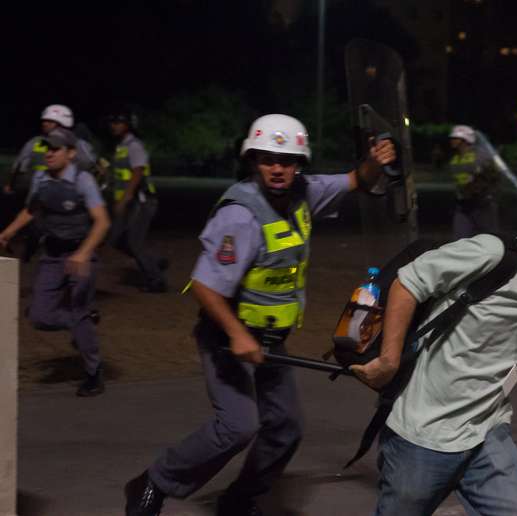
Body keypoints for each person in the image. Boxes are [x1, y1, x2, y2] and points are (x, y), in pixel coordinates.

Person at [123, 114, 396, 516]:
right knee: (238, 425)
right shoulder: (241, 215)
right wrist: (237, 335)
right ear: (253, 160)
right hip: (225, 337)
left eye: (286, 160)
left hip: (270, 341)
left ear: (299, 163)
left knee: (285, 428)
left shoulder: (305, 192)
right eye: (268, 159)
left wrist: (375, 160)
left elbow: (357, 179)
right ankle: (153, 482)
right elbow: (204, 285)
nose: (278, 168)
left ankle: (239, 500)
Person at [352, 204, 517, 516]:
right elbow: (408, 282)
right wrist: (389, 359)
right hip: (423, 436)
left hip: (487, 431)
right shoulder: (490, 255)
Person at [0, 128, 110, 396]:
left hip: (81, 255)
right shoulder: (41, 179)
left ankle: (93, 372)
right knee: (39, 316)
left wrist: (83, 253)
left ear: (70, 153)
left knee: (79, 311)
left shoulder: (83, 181)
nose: (49, 153)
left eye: (56, 149)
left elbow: (102, 222)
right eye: (47, 148)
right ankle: (81, 320)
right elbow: (32, 209)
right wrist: (8, 231)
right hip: (52, 255)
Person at [3, 105, 102, 258]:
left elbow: (94, 166)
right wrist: (11, 183)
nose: (45, 123)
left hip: (68, 195)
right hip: (40, 189)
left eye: (50, 121)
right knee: (33, 217)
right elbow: (18, 163)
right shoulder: (35, 141)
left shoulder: (77, 145)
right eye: (45, 120)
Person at [106, 110, 168, 293]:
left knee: (134, 242)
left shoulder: (134, 145)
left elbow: (138, 172)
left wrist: (125, 198)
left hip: (142, 200)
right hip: (133, 202)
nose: (114, 125)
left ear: (129, 125)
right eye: (113, 122)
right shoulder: (122, 146)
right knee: (116, 239)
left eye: (119, 122)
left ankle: (156, 281)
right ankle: (154, 261)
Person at [447, 125, 499, 238]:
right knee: (460, 239)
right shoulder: (455, 158)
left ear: (465, 140)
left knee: (489, 238)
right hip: (462, 204)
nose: (452, 140)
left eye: (455, 138)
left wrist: (480, 189)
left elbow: (493, 176)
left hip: (482, 204)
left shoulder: (480, 155)